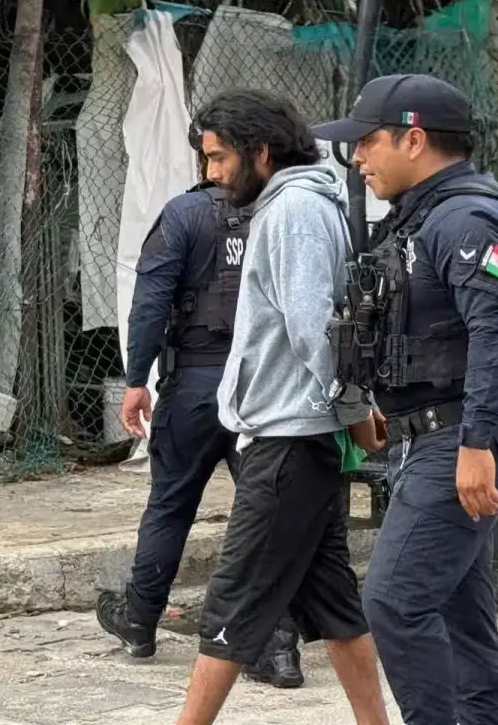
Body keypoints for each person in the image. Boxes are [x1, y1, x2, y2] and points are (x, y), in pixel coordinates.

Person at [313, 74, 498, 725]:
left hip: (470, 436)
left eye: (366, 142)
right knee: (455, 602)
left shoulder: (468, 218)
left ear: (413, 139)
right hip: (444, 430)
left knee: (394, 602)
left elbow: (495, 331)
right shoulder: (427, 215)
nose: (356, 157)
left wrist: (475, 442)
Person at [174, 88, 391, 725]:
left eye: (218, 159)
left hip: (288, 442)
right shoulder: (301, 203)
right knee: (335, 605)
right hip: (302, 437)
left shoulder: (292, 210)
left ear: (260, 151)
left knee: (231, 609)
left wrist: (353, 410)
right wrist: (351, 409)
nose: (211, 174)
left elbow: (313, 328)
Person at [94, 121, 304, 689]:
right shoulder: (284, 210)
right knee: (268, 515)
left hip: (193, 387)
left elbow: (150, 302)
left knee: (170, 503)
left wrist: (136, 378)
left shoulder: (184, 216)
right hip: (262, 388)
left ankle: (139, 622)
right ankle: (278, 648)